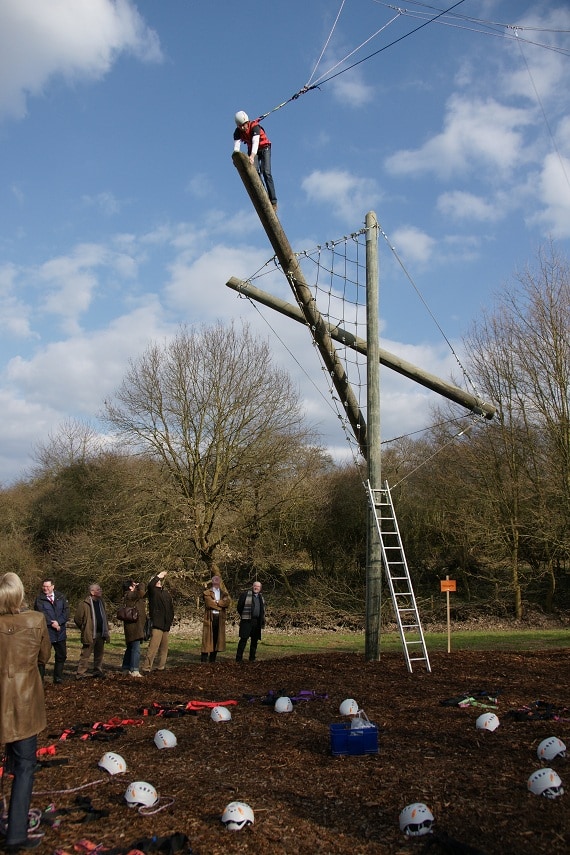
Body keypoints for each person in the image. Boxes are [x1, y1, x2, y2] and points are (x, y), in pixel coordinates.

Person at [0, 572, 51, 852]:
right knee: (24, 768)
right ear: (19, 595)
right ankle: (17, 833)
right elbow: (44, 657)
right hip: (24, 703)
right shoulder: (35, 620)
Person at [233, 110, 278, 211]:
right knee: (255, 172)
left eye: (243, 125)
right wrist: (236, 159)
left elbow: (255, 142)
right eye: (239, 126)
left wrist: (252, 156)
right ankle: (264, 196)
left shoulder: (254, 127)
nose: (242, 128)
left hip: (264, 147)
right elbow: (236, 148)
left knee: (266, 172)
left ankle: (273, 201)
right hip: (253, 150)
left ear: (247, 122)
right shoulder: (237, 132)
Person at [34, 577, 70, 684]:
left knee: (61, 655)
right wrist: (51, 623)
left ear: (53, 587)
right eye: (44, 586)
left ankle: (58, 677)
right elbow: (40, 614)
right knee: (43, 656)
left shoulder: (61, 597)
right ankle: (40, 679)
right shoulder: (39, 599)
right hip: (47, 632)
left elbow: (66, 612)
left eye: (48, 586)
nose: (45, 588)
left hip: (60, 632)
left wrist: (58, 622)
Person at [74, 583, 110, 679]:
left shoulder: (101, 602)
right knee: (85, 654)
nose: (100, 591)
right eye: (98, 589)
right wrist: (84, 628)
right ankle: (80, 673)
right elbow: (78, 618)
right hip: (90, 633)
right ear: (92, 592)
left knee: (99, 654)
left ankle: (97, 671)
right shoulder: (84, 604)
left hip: (101, 632)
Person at [142, 571, 174, 673]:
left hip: (165, 624)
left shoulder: (166, 594)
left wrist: (169, 620)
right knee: (153, 647)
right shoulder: (153, 592)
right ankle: (146, 667)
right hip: (157, 624)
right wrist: (158, 576)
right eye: (157, 581)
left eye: (160, 581)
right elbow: (150, 585)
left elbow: (171, 608)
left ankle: (161, 667)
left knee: (164, 648)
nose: (159, 582)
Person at [120, 579, 147, 678]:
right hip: (135, 627)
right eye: (133, 585)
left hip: (132, 627)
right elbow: (141, 593)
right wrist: (141, 584)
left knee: (130, 647)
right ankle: (134, 669)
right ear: (130, 587)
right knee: (136, 649)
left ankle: (126, 667)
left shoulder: (128, 596)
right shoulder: (130, 595)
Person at [201, 574, 230, 663]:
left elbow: (227, 603)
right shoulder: (207, 593)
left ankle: (212, 659)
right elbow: (209, 604)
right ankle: (204, 658)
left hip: (220, 618)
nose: (216, 583)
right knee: (207, 638)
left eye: (218, 581)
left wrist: (217, 602)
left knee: (217, 638)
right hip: (210, 618)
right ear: (212, 582)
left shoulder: (223, 593)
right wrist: (220, 605)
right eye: (215, 581)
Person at [235, 580, 266, 662]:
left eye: (258, 586)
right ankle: (238, 658)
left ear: (260, 588)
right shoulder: (245, 595)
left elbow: (262, 610)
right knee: (243, 640)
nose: (256, 588)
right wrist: (244, 615)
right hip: (247, 621)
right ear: (252, 586)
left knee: (254, 641)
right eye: (255, 586)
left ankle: (252, 658)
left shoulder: (261, 597)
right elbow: (239, 607)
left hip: (257, 622)